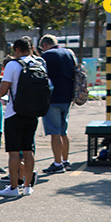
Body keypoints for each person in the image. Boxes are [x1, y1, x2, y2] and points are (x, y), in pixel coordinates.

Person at [0, 37, 45, 198]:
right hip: (33, 113)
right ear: (31, 49)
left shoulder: (13, 65)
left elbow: (4, 89)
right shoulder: (39, 64)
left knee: (14, 152)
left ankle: (14, 187)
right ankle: (28, 186)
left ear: (16, 49)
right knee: (28, 150)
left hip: (14, 113)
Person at [38, 34, 77, 173]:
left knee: (54, 133)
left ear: (44, 45)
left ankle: (57, 163)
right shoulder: (69, 53)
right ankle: (65, 160)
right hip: (67, 96)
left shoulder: (46, 56)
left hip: (52, 97)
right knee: (63, 132)